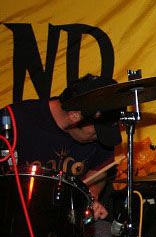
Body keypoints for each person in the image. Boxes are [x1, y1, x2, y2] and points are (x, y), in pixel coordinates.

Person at [4, 74, 123, 220]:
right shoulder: (15, 120)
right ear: (74, 115)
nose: (99, 138)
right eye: (97, 133)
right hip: (15, 216)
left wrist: (92, 196)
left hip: (65, 218)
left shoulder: (98, 130)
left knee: (108, 231)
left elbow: (99, 171)